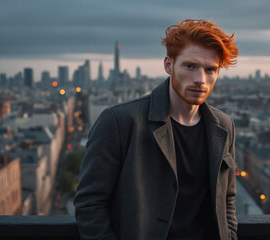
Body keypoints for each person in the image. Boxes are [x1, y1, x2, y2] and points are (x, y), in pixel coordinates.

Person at [74, 19, 239, 240]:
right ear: (168, 65)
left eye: (210, 70)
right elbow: (89, 203)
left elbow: (227, 198)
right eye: (190, 66)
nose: (200, 80)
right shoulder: (119, 121)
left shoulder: (224, 126)